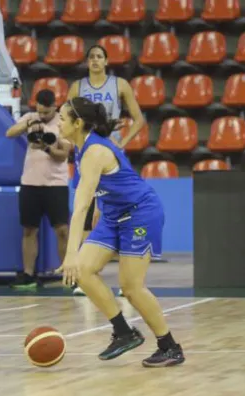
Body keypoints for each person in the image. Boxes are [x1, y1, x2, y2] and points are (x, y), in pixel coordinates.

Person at [57, 97, 184, 368]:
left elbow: (79, 208)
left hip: (140, 213)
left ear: (78, 123)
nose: (58, 122)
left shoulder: (95, 152)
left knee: (131, 287)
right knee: (83, 270)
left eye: (61, 118)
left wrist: (70, 253)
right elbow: (96, 197)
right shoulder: (80, 148)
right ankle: (124, 333)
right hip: (113, 215)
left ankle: (169, 346)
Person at [67, 45, 146, 295]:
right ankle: (87, 275)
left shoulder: (120, 85)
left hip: (110, 153)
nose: (95, 61)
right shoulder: (78, 87)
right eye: (91, 57)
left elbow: (140, 119)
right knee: (87, 210)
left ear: (107, 61)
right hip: (87, 152)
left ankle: (129, 278)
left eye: (99, 57)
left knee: (120, 212)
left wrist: (122, 142)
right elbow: (68, 120)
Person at [5, 89, 73, 292]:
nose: (42, 116)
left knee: (62, 231)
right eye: (40, 112)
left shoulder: (63, 122)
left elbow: (63, 155)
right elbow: (9, 133)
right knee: (29, 230)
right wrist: (29, 124)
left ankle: (70, 275)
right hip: (30, 183)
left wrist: (46, 147)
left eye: (46, 113)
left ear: (55, 106)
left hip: (56, 185)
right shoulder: (31, 117)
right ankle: (28, 275)